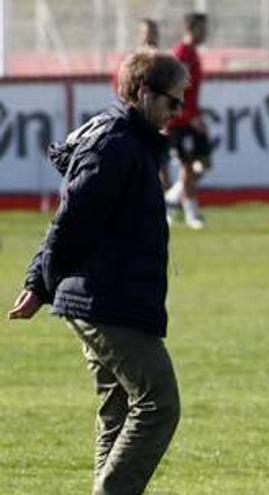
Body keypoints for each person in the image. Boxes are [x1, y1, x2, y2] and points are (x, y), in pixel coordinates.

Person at [8, 48, 186, 494]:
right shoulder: (116, 145)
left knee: (120, 409)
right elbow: (72, 220)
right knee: (159, 405)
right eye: (173, 101)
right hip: (105, 299)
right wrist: (39, 282)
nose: (178, 113)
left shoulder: (130, 141)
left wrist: (40, 282)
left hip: (109, 294)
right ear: (145, 94)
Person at [165, 12, 211, 229]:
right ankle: (193, 214)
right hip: (178, 122)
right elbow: (172, 91)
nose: (206, 33)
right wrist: (188, 116)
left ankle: (171, 199)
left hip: (193, 119)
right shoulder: (180, 55)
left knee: (204, 164)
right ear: (191, 29)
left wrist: (197, 115)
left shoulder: (193, 54)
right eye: (203, 28)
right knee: (188, 167)